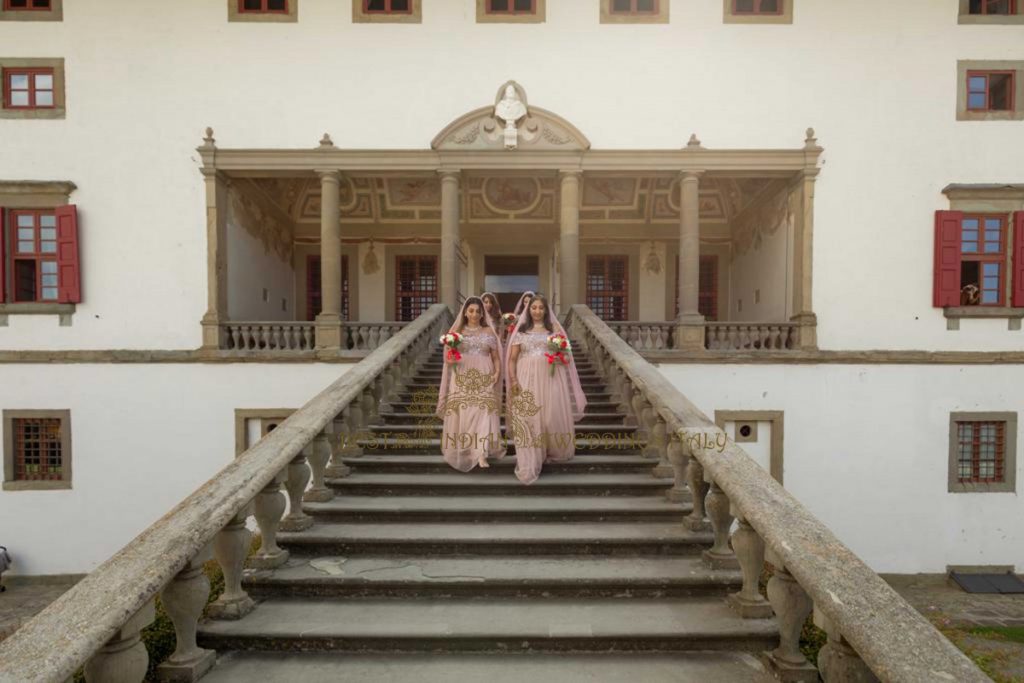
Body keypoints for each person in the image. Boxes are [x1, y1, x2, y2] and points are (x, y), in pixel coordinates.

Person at [504, 294, 587, 485]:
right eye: (534, 308)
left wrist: (559, 358)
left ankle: (548, 449)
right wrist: (514, 380)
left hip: (550, 378)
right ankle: (530, 457)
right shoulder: (521, 332)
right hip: (526, 378)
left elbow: (566, 357)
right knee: (528, 417)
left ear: (546, 310)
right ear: (528, 310)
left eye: (541, 308)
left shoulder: (555, 330)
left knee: (550, 416)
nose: (537, 311)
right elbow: (512, 359)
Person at [436, 297, 505, 471]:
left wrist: (497, 372)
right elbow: (448, 358)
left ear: (482, 314)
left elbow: (496, 358)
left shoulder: (489, 331)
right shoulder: (457, 332)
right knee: (465, 412)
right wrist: (451, 359)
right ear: (465, 312)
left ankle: (481, 452)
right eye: (471, 311)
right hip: (462, 373)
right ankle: (466, 448)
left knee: (483, 411)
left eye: (478, 311)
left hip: (484, 373)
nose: (474, 314)